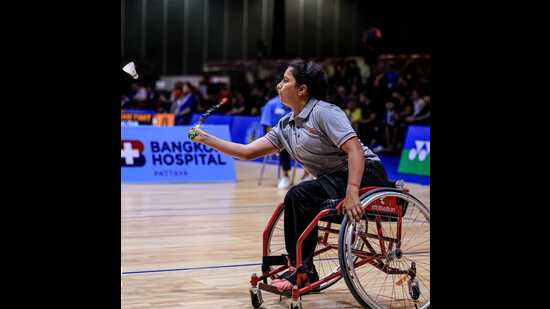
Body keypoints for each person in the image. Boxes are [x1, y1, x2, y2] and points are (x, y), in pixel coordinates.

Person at [188, 60, 390, 291]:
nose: (278, 85)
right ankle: (299, 266)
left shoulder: (324, 112)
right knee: (296, 196)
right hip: (333, 180)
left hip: (366, 175)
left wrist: (352, 191)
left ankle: (303, 269)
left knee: (299, 193)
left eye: (285, 80)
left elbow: (354, 149)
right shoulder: (285, 126)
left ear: (302, 90)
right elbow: (247, 152)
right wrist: (205, 138)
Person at [260, 95, 293, 189]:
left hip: (293, 136)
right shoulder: (271, 104)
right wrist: (275, 139)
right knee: (283, 144)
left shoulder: (294, 103)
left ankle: (307, 175)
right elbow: (267, 125)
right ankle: (285, 176)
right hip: (275, 137)